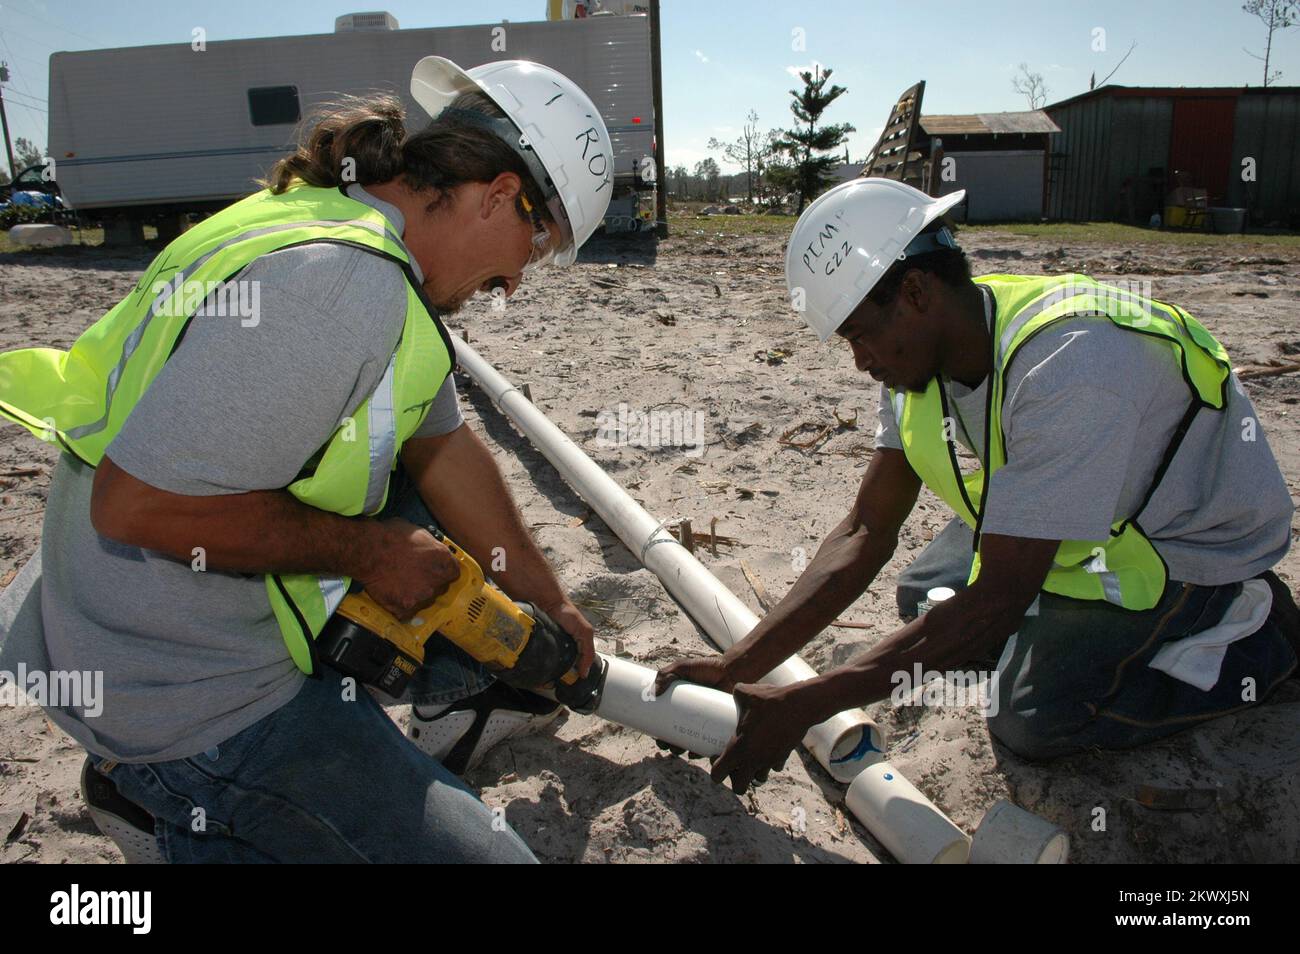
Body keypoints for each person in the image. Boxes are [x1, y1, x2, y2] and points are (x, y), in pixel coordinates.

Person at [0, 56, 613, 862]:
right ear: (499, 194)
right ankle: (161, 794)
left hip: (100, 621)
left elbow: (444, 448)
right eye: (535, 249)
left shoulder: (329, 221)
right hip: (176, 699)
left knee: (405, 483)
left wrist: (550, 604)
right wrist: (372, 551)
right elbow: (136, 509)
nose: (512, 285)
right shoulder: (341, 287)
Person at [656, 177, 1300, 794]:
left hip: (1184, 545)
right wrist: (738, 665)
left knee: (1033, 718)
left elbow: (997, 597)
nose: (860, 361)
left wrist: (807, 702)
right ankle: (1052, 634)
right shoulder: (923, 356)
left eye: (859, 334)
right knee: (923, 595)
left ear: (913, 292)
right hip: (1082, 519)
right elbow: (866, 529)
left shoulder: (1068, 365)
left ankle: (1257, 637)